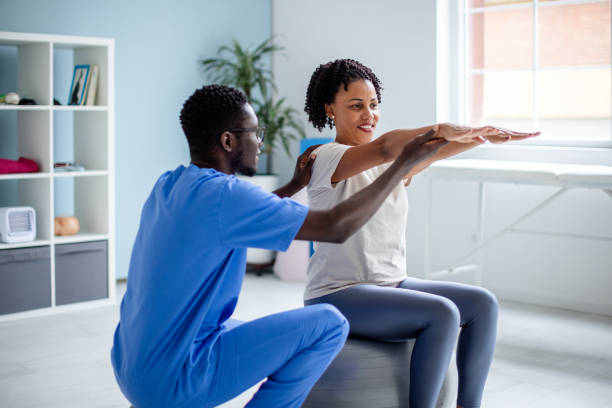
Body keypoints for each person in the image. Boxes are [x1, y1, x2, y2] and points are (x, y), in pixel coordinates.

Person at [110, 84, 450, 408]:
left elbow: (232, 218)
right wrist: (401, 165)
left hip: (132, 368)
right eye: (254, 134)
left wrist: (291, 187)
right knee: (328, 323)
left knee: (251, 331)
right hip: (174, 381)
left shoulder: (171, 185)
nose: (260, 143)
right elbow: (335, 227)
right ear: (228, 141)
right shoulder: (227, 196)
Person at [303, 59, 540, 408]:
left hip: (391, 284)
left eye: (373, 105)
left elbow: (433, 152)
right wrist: (443, 127)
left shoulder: (392, 166)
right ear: (330, 110)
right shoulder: (326, 157)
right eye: (356, 106)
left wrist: (481, 134)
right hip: (338, 293)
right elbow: (386, 146)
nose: (368, 114)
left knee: (482, 304)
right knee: (442, 313)